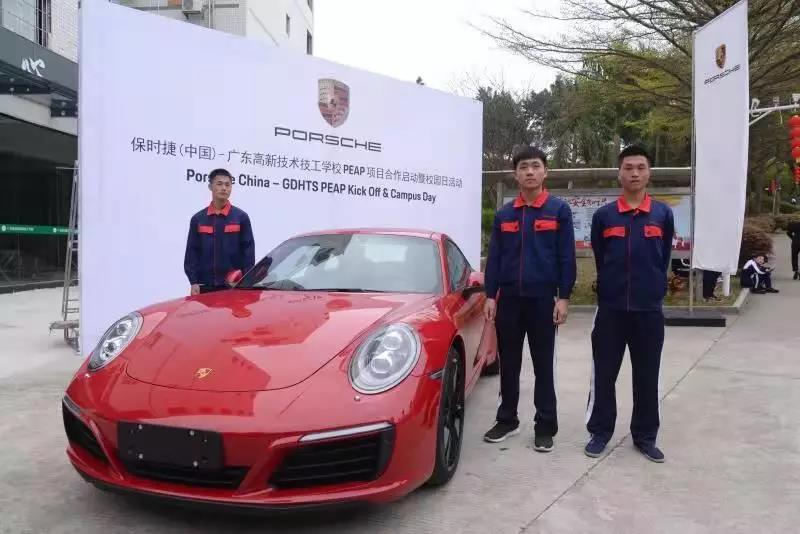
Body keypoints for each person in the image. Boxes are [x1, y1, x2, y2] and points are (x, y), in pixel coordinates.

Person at [482, 145, 577, 452]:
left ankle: (545, 425)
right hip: (509, 300)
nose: (530, 172)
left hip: (542, 301)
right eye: (523, 167)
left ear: (545, 171)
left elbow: (567, 257)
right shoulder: (505, 214)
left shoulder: (558, 211)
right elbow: (495, 258)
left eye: (535, 166)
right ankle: (507, 419)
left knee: (543, 366)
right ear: (516, 175)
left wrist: (564, 297)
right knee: (509, 364)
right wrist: (490, 295)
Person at [585, 145, 674, 463]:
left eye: (640, 167)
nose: (634, 173)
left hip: (648, 311)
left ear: (649, 173)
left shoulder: (662, 214)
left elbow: (663, 256)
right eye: (628, 167)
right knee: (604, 374)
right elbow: (600, 256)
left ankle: (645, 436)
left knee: (647, 376)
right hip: (611, 310)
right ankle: (600, 432)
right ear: (619, 173)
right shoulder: (604, 216)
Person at [184, 168, 255, 295]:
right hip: (204, 285)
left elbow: (248, 253)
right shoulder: (198, 219)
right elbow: (192, 252)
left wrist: (244, 281)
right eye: (219, 184)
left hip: (233, 285)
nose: (224, 188)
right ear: (210, 187)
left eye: (227, 185)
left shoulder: (241, 218)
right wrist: (193, 281)